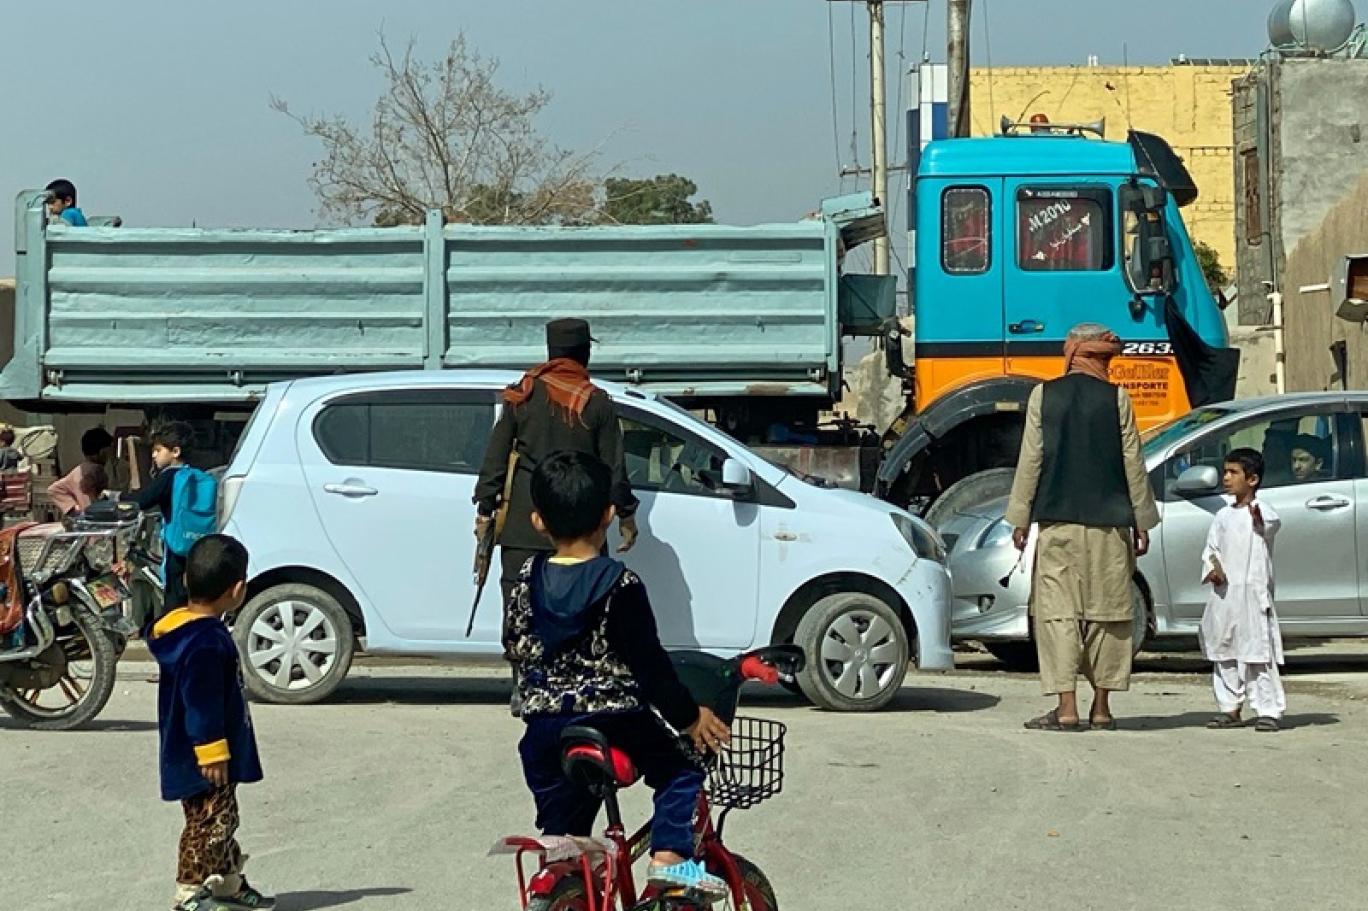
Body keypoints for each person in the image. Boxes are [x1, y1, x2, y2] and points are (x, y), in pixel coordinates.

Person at [506, 451, 732, 899]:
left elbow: (515, 644)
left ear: (538, 521)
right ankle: (669, 856)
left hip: (544, 729)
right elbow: (651, 668)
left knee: (564, 811)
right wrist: (690, 718)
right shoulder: (620, 585)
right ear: (608, 515)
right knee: (681, 767)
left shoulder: (527, 579)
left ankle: (565, 863)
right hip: (613, 721)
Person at [1006, 323, 1161, 732]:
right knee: (1108, 613)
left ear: (1071, 352)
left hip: (1058, 525)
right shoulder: (1117, 399)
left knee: (1058, 614)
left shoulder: (1044, 396)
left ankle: (1066, 708)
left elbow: (1031, 459)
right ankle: (1102, 709)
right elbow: (1132, 462)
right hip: (1110, 527)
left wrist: (1020, 519)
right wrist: (1142, 520)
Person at [475, 319, 640, 655]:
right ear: (585, 354)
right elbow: (614, 468)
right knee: (585, 611)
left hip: (524, 524)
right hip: (583, 529)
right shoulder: (596, 402)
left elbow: (495, 457)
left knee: (521, 612)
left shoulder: (522, 394)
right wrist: (626, 516)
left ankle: (524, 677)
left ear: (551, 352)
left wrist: (485, 509)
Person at [147, 534, 272, 911]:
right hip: (205, 755)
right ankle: (188, 893)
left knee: (222, 820)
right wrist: (212, 751)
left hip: (194, 749)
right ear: (238, 590)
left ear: (186, 580)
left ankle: (228, 884)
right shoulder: (204, 642)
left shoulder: (181, 631)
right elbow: (201, 701)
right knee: (208, 826)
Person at [1201, 448, 1285, 733]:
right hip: (1225, 594)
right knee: (1224, 651)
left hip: (1252, 594)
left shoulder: (1262, 511)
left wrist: (1255, 511)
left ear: (1252, 479)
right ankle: (1229, 708)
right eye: (1225, 472)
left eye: (1233, 472)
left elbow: (1269, 525)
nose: (1226, 478)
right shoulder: (1223, 515)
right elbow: (1211, 549)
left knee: (1257, 653)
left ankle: (1268, 710)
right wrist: (1212, 568)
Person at [121, 422, 212, 617]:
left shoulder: (170, 476)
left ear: (175, 452)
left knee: (175, 604)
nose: (154, 455)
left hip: (177, 551)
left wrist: (116, 499)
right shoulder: (199, 476)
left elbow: (142, 501)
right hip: (200, 548)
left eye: (158, 450)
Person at [47, 427, 113, 517]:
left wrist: (72, 507)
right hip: (91, 517)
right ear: (103, 451)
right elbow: (88, 498)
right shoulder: (93, 470)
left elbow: (53, 489)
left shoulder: (82, 469)